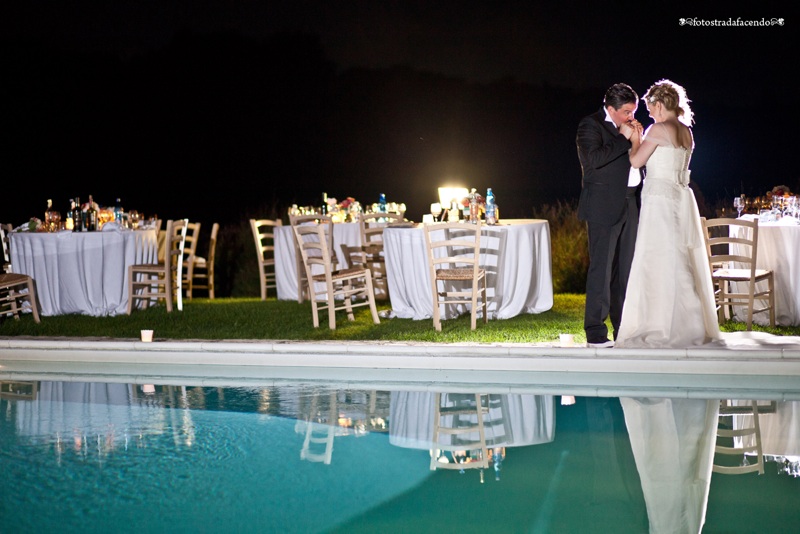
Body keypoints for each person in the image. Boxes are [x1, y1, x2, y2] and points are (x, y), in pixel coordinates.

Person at [614, 79, 720, 348]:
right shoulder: (686, 131)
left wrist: (635, 138)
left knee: (657, 258)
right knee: (678, 255)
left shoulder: (658, 129)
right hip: (680, 196)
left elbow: (636, 161)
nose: (650, 114)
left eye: (651, 109)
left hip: (659, 200)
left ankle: (662, 324)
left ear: (660, 105)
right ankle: (690, 321)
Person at [577, 83, 644, 348]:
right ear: (611, 109)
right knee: (601, 271)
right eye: (627, 112)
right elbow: (593, 162)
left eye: (633, 111)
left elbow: (637, 161)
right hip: (603, 205)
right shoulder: (590, 125)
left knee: (624, 270)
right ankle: (595, 331)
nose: (631, 116)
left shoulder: (628, 127)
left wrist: (636, 139)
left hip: (630, 202)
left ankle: (622, 328)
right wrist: (622, 137)